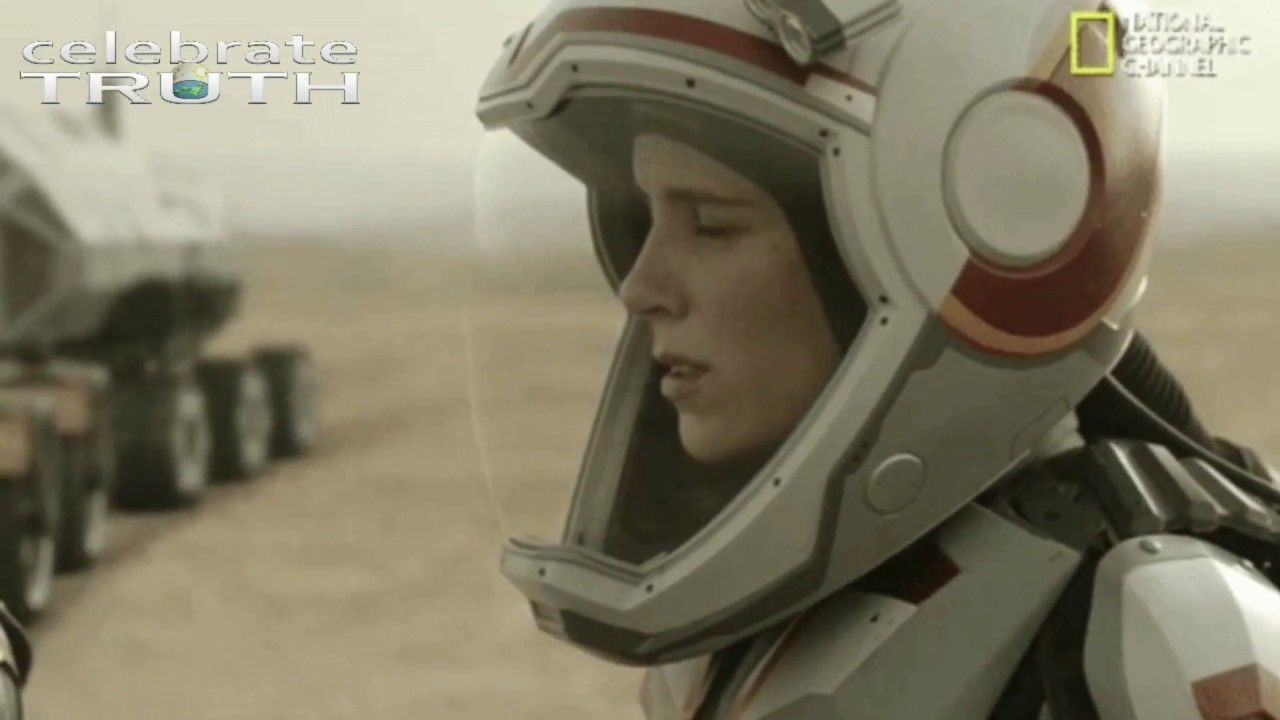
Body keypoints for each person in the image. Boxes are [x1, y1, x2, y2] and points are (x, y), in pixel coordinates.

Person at [473, 0, 1280, 717]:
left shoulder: (1165, 640)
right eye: (644, 217)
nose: (639, 286)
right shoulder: (748, 608)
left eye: (711, 224)